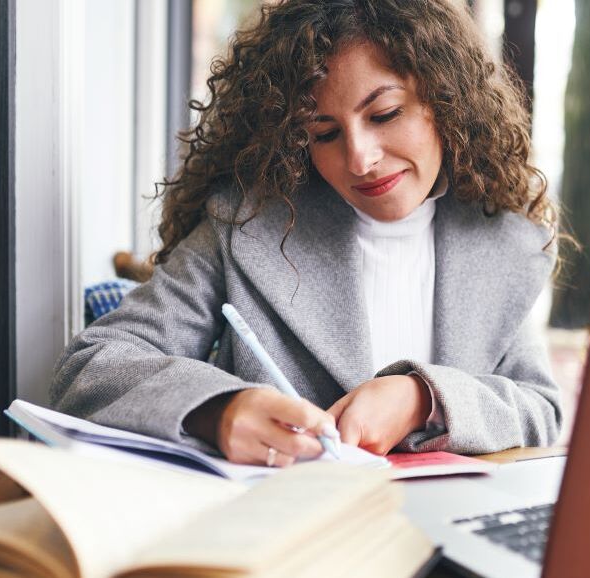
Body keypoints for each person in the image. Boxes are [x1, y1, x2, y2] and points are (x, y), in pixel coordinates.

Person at [51, 0, 563, 467]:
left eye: (384, 114)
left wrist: (422, 399)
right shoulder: (247, 226)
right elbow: (91, 366)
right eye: (324, 133)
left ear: (447, 102)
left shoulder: (501, 241)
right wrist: (218, 410)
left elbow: (539, 409)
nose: (360, 158)